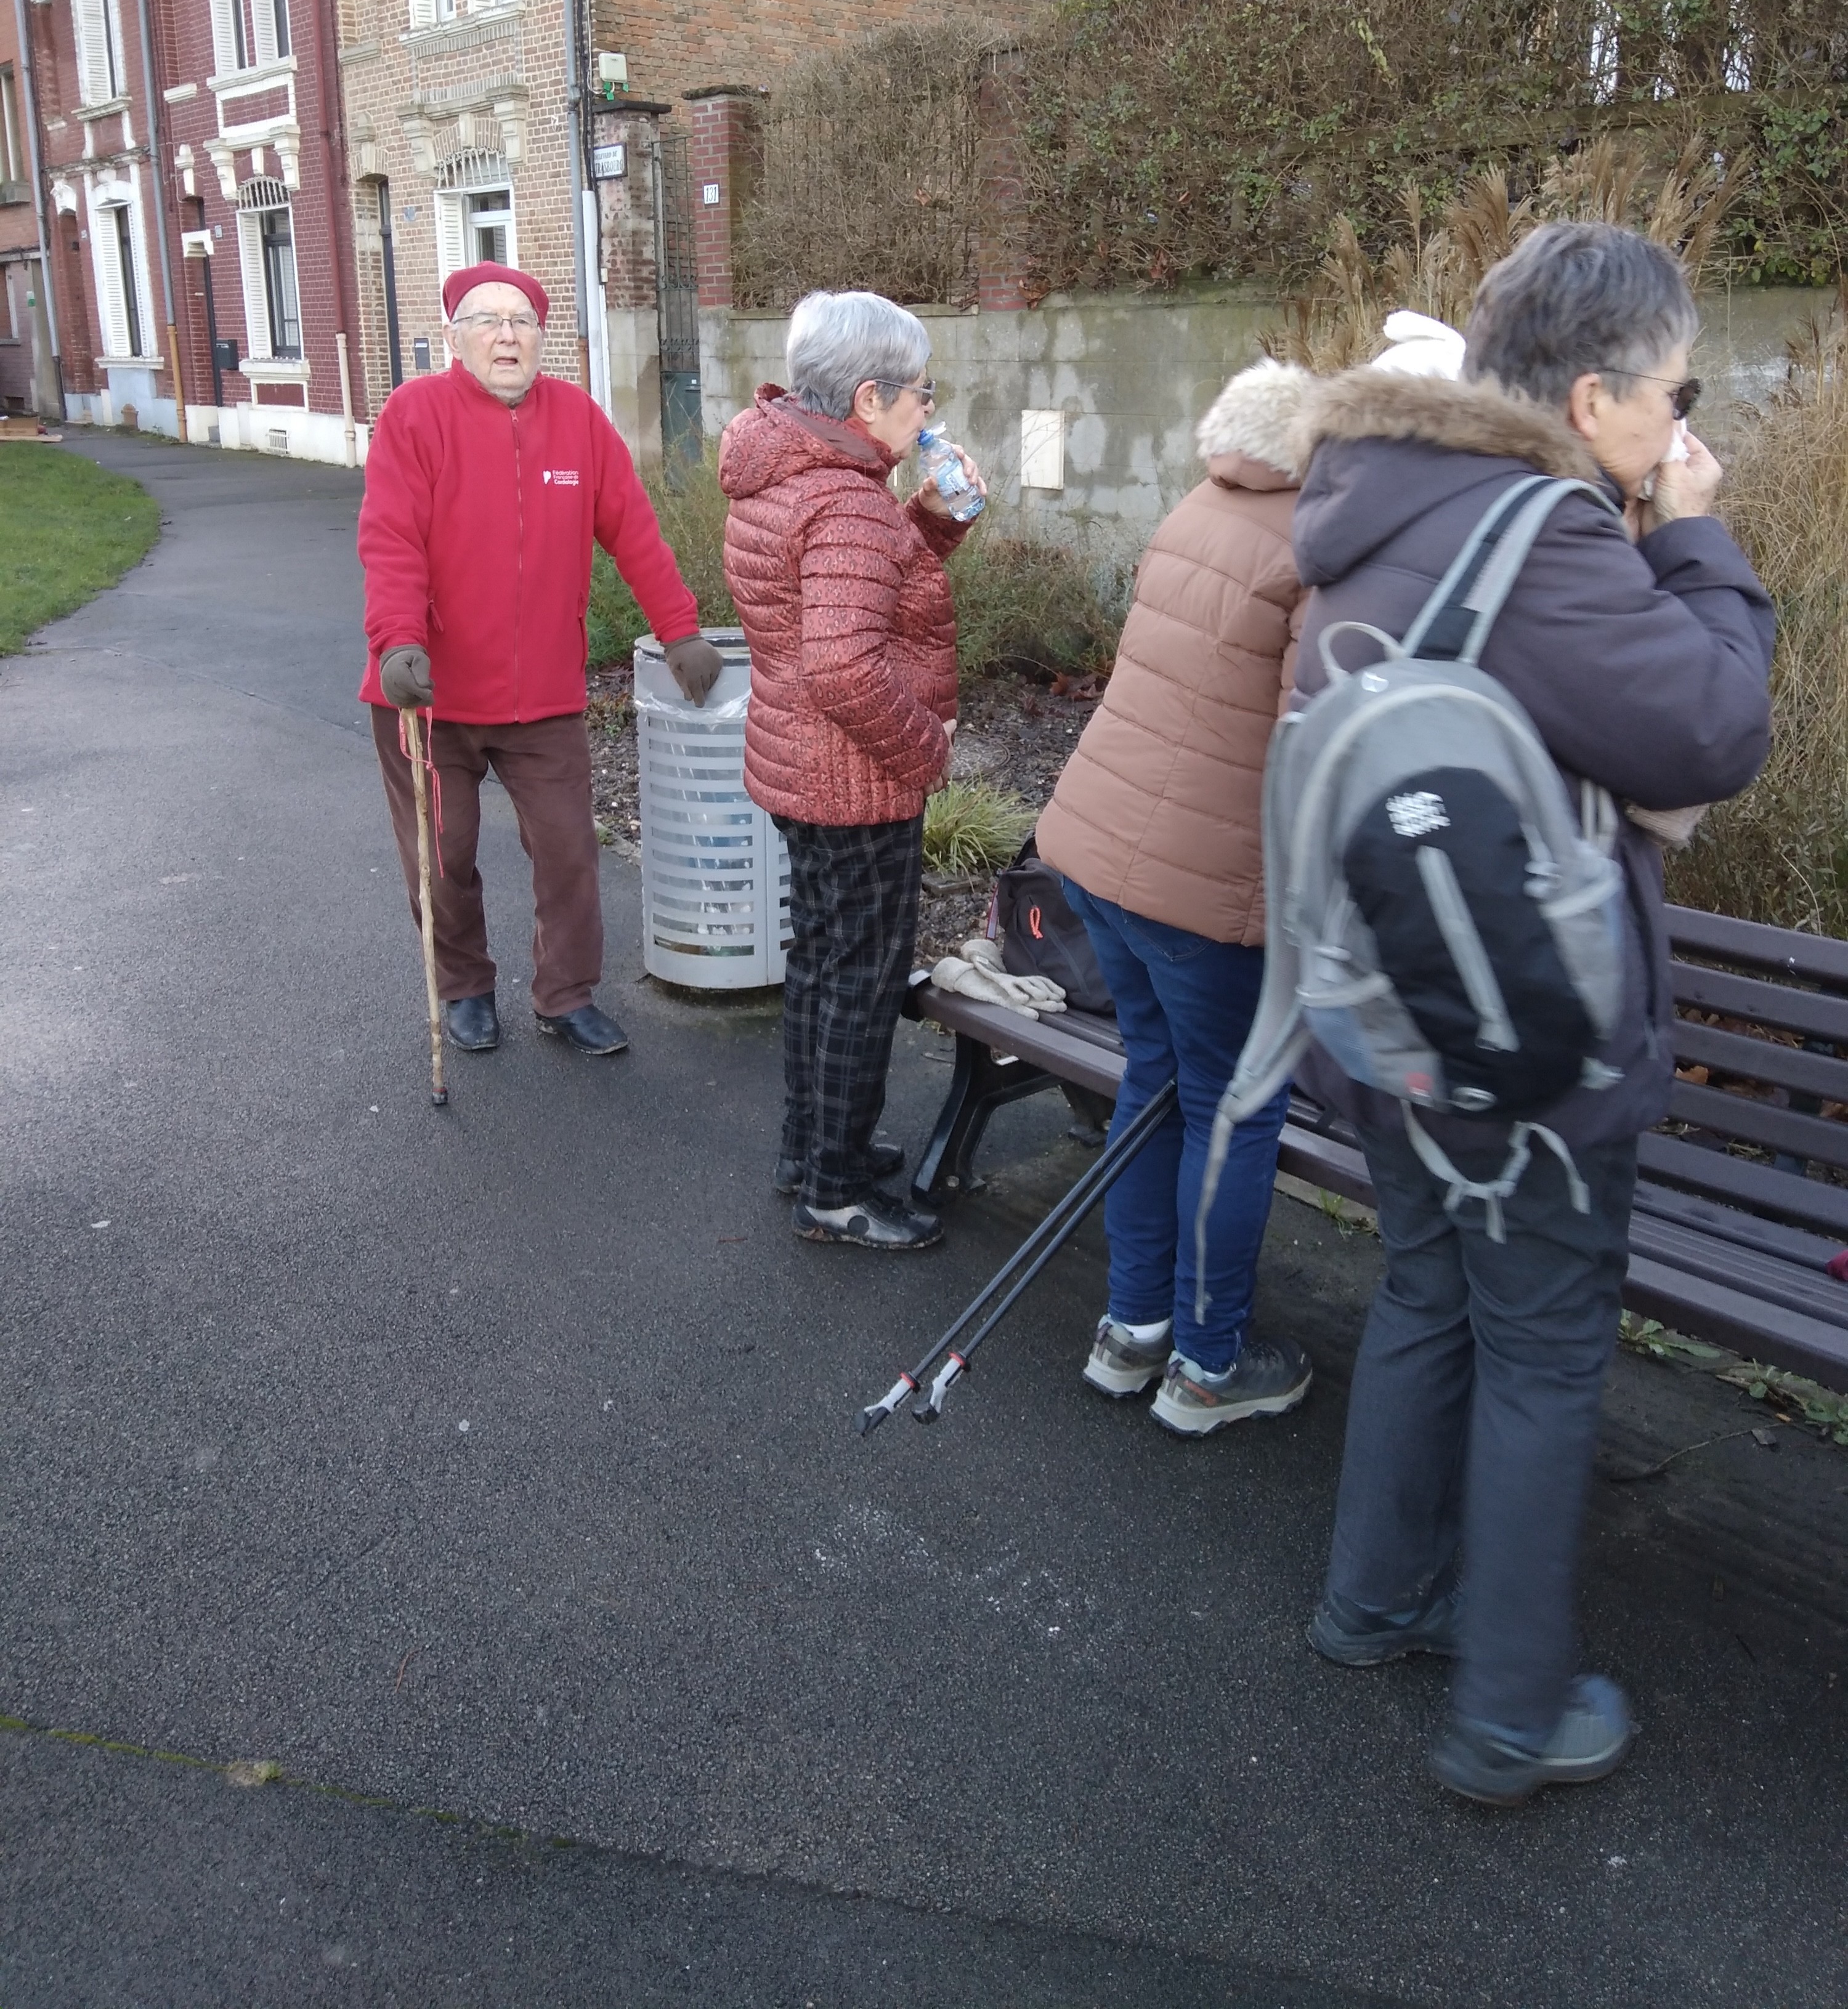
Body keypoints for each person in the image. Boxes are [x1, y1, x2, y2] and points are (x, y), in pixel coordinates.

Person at [1291, 222, 1773, 1805]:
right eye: (1675, 393)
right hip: (1528, 1028)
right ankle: (1510, 1709)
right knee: (1550, 1350)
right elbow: (1709, 729)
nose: (1682, 426)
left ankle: (1375, 1603)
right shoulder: (1542, 530)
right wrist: (1694, 540)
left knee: (1430, 1291)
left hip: (1395, 1008)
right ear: (1589, 394)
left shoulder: (1373, 502)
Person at [1037, 360, 1319, 1435]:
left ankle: (1131, 1330)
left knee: (1155, 1081)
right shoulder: (1316, 548)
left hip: (1104, 852)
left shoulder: (1199, 504)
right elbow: (1306, 748)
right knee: (1232, 1108)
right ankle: (1208, 1365)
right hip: (1201, 889)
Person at [358, 263, 724, 1056]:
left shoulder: (579, 421)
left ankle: (565, 995)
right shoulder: (415, 416)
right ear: (456, 336)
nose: (507, 336)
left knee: (568, 853)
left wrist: (680, 629)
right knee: (444, 857)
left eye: (522, 321)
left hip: (542, 697)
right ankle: (464, 988)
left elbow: (633, 530)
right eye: (487, 321)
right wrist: (397, 642)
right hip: (429, 692)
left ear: (541, 336)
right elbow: (390, 539)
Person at [719, 290, 984, 1250]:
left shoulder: (789, 467)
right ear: (868, 400)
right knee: (860, 979)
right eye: (919, 394)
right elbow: (842, 664)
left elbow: (856, 585)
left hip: (802, 769)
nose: (929, 411)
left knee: (823, 961)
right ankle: (834, 1191)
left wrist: (933, 521)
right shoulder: (841, 498)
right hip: (856, 782)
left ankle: (814, 1146)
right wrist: (929, 748)